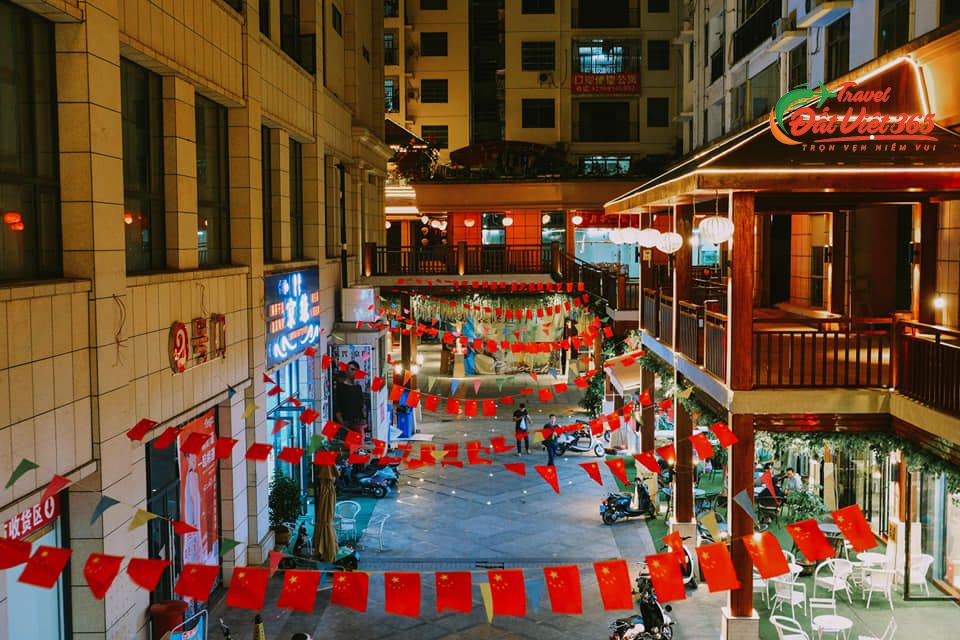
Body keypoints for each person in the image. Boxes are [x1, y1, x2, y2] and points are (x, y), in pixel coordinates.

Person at [334, 361, 367, 439]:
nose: (351, 371)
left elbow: (361, 404)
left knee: (358, 443)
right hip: (346, 422)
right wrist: (341, 422)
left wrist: (364, 419)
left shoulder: (358, 387)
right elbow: (337, 406)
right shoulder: (341, 387)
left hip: (358, 421)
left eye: (354, 369)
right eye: (350, 369)